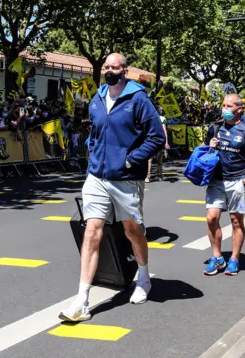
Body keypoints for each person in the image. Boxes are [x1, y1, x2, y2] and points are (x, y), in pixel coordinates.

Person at [60, 53, 165, 322]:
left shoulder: (139, 99)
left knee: (132, 230)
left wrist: (131, 160)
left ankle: (143, 278)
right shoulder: (97, 97)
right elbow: (95, 133)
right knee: (92, 230)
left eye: (114, 67)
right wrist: (92, 153)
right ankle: (82, 299)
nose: (109, 70)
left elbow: (156, 137)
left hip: (126, 178)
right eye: (106, 66)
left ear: (125, 70)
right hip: (97, 176)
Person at [203, 94, 245, 276]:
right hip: (216, 180)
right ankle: (217, 257)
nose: (225, 109)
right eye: (223, 105)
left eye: (229, 106)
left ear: (239, 109)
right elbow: (203, 151)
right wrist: (210, 145)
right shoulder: (215, 128)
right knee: (212, 218)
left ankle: (234, 259)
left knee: (236, 221)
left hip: (237, 180)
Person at [146, 107, 170, 182]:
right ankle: (155, 175)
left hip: (154, 140)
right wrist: (166, 142)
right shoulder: (160, 119)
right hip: (155, 140)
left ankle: (151, 175)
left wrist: (166, 142)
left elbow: (164, 131)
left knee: (154, 159)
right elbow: (164, 131)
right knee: (155, 159)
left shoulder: (155, 118)